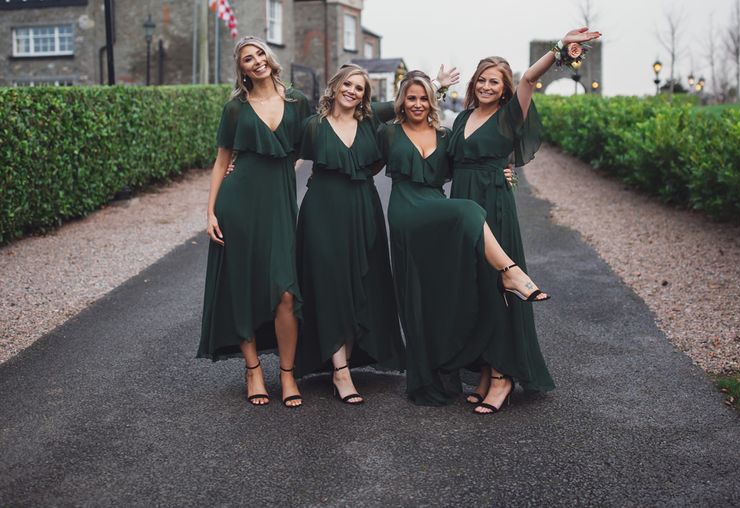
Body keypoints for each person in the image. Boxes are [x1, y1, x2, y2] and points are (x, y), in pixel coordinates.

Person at [448, 27, 601, 411]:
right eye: (481, 79)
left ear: (504, 88)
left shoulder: (509, 114)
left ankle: (503, 377)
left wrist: (559, 49)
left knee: (501, 288)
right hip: (464, 206)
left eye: (494, 81)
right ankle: (486, 369)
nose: (486, 86)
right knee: (478, 289)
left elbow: (531, 77)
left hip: (494, 206)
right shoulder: (461, 118)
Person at [378, 72, 547, 412]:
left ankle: (462, 366)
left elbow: (474, 157)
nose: (418, 104)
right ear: (401, 101)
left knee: (445, 289)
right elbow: (366, 117)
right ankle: (511, 271)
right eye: (411, 98)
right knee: (468, 211)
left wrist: (505, 168)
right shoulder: (388, 132)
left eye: (424, 98)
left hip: (436, 206)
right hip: (405, 210)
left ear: (432, 104)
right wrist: (435, 86)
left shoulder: (446, 134)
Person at [196, 37, 310, 408]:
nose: (257, 61)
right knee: (242, 285)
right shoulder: (235, 108)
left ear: (269, 57)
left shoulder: (297, 101)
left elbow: (313, 144)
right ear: (241, 69)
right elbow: (221, 160)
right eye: (248, 58)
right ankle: (254, 370)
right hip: (238, 203)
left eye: (260, 53)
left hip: (277, 204)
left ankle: (288, 373)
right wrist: (211, 211)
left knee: (286, 291)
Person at [295, 65, 405, 404]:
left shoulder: (370, 122)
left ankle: (349, 357)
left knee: (362, 281)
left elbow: (406, 105)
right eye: (348, 84)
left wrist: (438, 85)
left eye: (359, 88)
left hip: (363, 208)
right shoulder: (313, 126)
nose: (353, 91)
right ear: (335, 86)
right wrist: (237, 164)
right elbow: (285, 156)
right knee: (331, 284)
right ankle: (340, 371)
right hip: (322, 212)